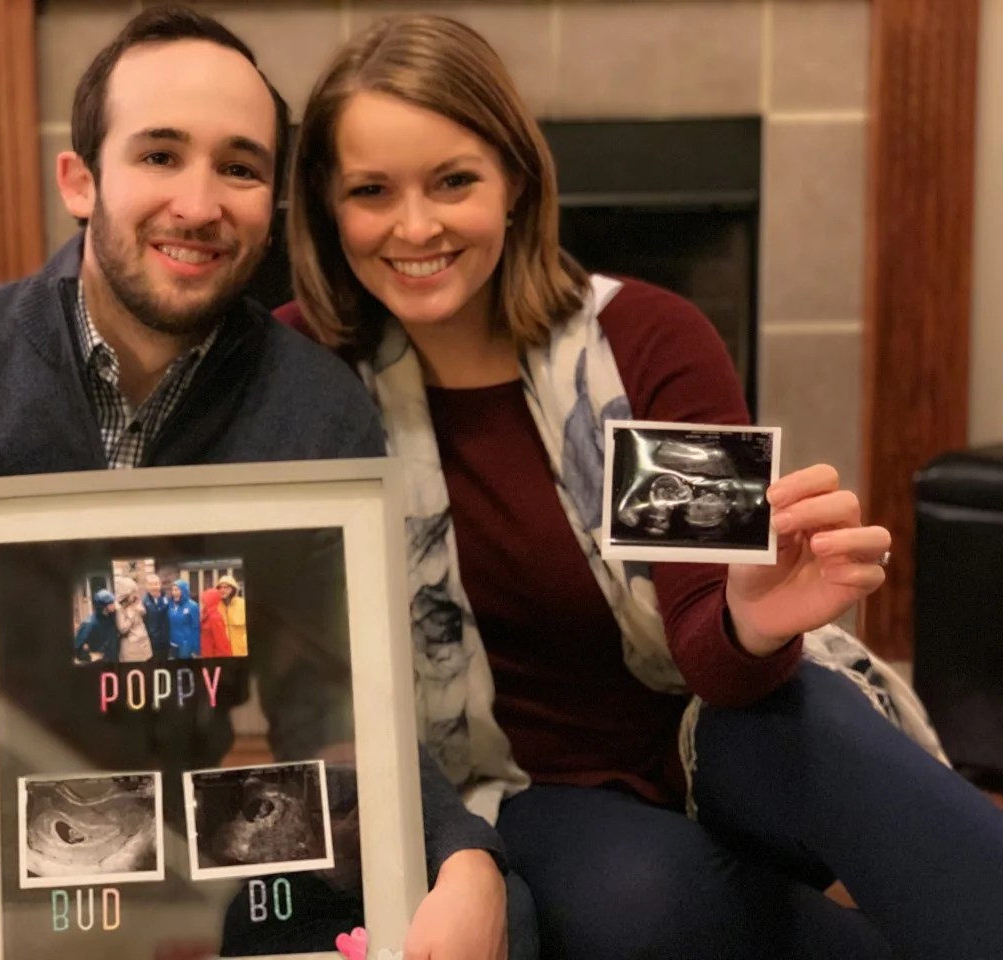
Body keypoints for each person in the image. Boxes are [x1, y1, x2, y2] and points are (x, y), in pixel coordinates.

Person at [0, 8, 525, 960]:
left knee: (492, 918)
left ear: (270, 202)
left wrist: (461, 857)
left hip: (180, 849)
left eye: (238, 166)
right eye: (158, 155)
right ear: (79, 179)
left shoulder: (315, 414)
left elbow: (336, 708)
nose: (198, 203)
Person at [280, 14, 1003, 960]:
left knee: (820, 723)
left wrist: (749, 614)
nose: (415, 227)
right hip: (517, 786)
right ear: (330, 210)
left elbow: (713, 656)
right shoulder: (303, 372)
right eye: (372, 191)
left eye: (454, 180)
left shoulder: (649, 340)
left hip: (709, 731)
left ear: (515, 183)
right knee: (647, 905)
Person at [73, 588, 120, 663]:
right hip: (99, 662)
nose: (114, 605)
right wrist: (90, 656)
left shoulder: (111, 617)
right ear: (104, 607)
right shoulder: (89, 624)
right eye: (111, 603)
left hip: (113, 659)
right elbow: (77, 647)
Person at [113, 575, 153, 661]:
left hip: (143, 642)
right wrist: (132, 614)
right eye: (133, 592)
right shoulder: (119, 608)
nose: (136, 594)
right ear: (126, 593)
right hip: (131, 647)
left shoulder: (136, 601)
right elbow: (123, 629)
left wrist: (141, 610)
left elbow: (143, 613)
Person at [143, 571, 172, 660]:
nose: (154, 587)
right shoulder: (144, 602)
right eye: (151, 584)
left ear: (160, 584)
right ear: (147, 586)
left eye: (156, 584)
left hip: (165, 639)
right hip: (152, 642)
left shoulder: (167, 599)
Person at [217, 574, 248, 655]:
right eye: (220, 587)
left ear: (233, 589)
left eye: (226, 587)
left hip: (240, 652)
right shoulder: (216, 606)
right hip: (222, 653)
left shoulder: (243, 604)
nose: (222, 590)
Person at [200, 585, 233, 657]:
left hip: (214, 656)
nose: (203, 602)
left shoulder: (214, 617)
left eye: (204, 600)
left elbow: (221, 642)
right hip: (207, 653)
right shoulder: (207, 614)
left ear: (210, 600)